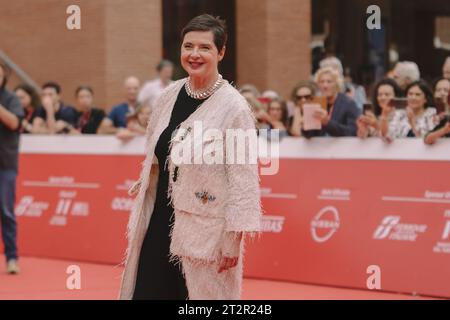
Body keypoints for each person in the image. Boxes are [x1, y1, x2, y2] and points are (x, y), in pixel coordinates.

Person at [120, 14, 262, 300]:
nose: (194, 54)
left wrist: (233, 240)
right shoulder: (168, 96)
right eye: (188, 46)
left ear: (221, 52)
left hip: (206, 232)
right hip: (159, 221)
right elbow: (156, 154)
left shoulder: (234, 108)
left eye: (205, 48)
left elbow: (244, 178)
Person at [0, 63, 24, 274]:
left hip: (5, 164)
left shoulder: (11, 99)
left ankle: (12, 258)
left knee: (6, 212)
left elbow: (14, 122)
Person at [311, 66, 360, 137]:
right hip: (320, 147)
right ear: (318, 85)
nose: (325, 85)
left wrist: (328, 123)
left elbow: (352, 131)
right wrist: (305, 126)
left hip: (342, 147)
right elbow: (311, 135)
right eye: (322, 82)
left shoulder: (348, 103)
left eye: (329, 82)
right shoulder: (316, 103)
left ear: (336, 84)